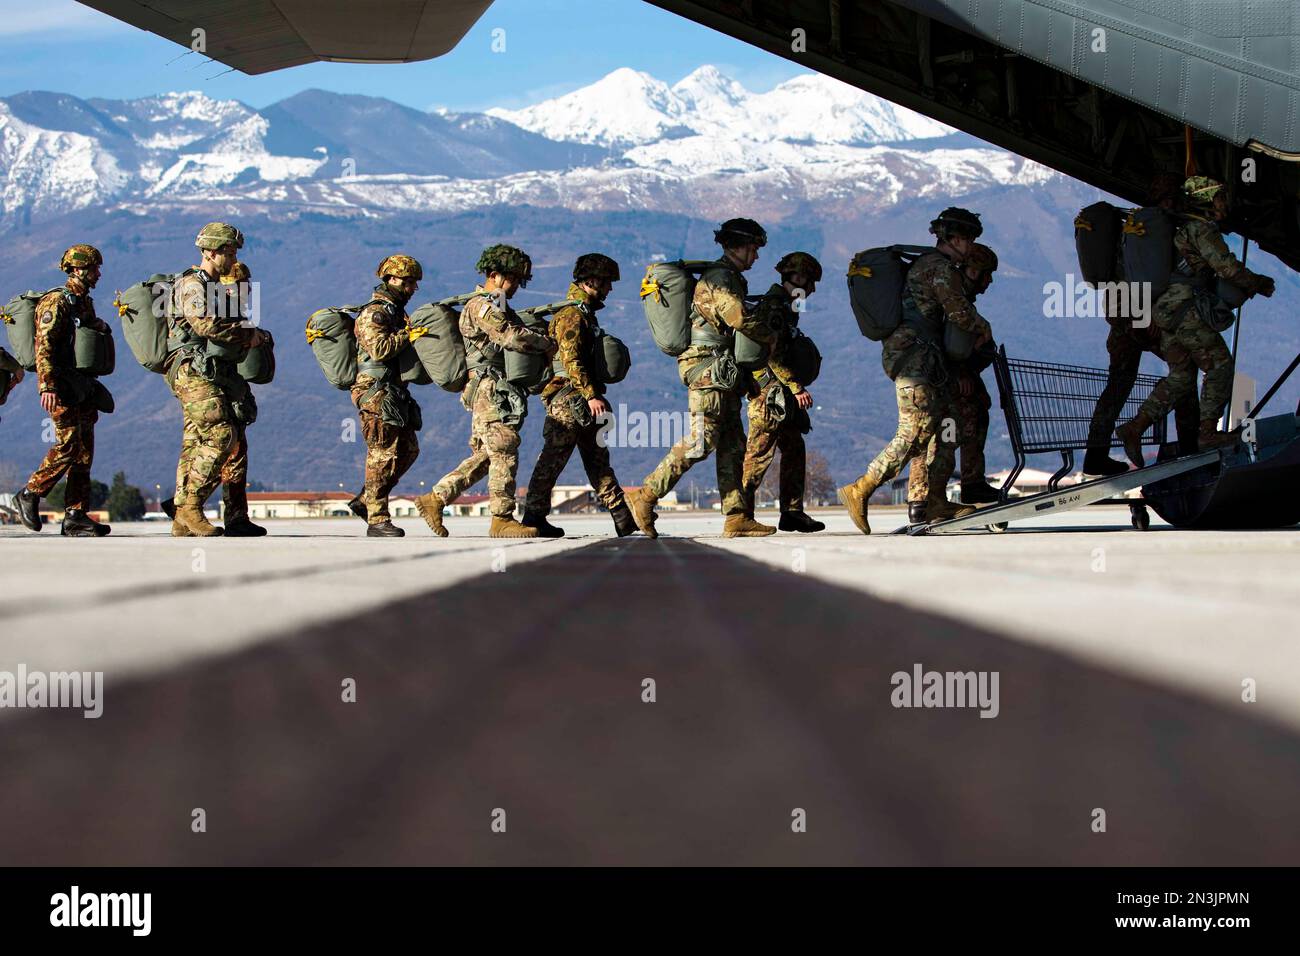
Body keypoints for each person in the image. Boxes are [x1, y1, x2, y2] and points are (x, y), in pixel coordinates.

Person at [626, 217, 782, 539]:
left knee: (732, 444)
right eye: (753, 249)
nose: (756, 256)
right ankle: (645, 495)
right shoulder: (721, 278)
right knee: (702, 439)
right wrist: (770, 335)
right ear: (737, 247)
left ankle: (736, 516)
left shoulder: (728, 276)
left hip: (721, 369)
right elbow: (737, 316)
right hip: (707, 367)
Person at [836, 208, 988, 534]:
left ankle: (934, 499)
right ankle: (861, 488)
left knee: (948, 425)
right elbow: (959, 313)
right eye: (970, 239)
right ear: (956, 238)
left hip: (929, 363)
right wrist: (982, 326)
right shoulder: (938, 268)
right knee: (914, 431)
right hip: (914, 361)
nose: (971, 246)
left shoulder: (934, 265)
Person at [1116, 176, 1275, 465]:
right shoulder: (1200, 229)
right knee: (1220, 366)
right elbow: (1226, 268)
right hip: (1186, 310)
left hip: (1166, 312)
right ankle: (1207, 432)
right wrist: (1258, 282)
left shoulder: (1179, 229)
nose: (1224, 204)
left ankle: (1134, 427)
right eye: (1219, 198)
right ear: (1207, 201)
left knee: (1181, 375)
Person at [416, 244, 556, 538]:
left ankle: (436, 498)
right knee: (503, 447)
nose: (517, 285)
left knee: (487, 457)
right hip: (489, 387)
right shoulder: (482, 306)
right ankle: (501, 519)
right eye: (513, 278)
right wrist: (547, 344)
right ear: (495, 275)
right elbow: (511, 336)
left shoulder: (500, 306)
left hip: (497, 387)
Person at [1083, 173, 1199, 475]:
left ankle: (1095, 455)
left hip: (1121, 321)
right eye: (1171, 199)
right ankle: (1190, 446)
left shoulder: (1131, 231)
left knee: (1118, 386)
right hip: (1144, 321)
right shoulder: (1156, 232)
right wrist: (1146, 318)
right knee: (1184, 372)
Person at [521, 253, 637, 538]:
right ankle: (533, 518)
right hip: (569, 399)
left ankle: (622, 517)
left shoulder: (584, 313)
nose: (610, 289)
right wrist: (591, 395)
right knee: (553, 459)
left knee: (597, 459)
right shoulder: (572, 315)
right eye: (607, 282)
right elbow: (572, 360)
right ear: (591, 281)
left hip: (580, 399)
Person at [166, 222, 268, 537]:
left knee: (196, 441)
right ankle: (190, 507)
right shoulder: (193, 284)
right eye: (228, 251)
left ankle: (183, 520)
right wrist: (249, 336)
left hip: (210, 369)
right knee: (222, 434)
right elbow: (205, 327)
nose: (232, 257)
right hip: (191, 368)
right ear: (210, 251)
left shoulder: (211, 286)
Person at [12, 244, 113, 537]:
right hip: (60, 385)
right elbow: (43, 347)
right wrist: (47, 385)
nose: (98, 273)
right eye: (93, 268)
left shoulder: (82, 302)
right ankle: (30, 493)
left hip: (81, 386)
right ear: (77, 269)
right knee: (68, 445)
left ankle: (76, 515)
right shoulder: (56, 302)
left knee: (84, 452)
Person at [740, 251, 825, 532]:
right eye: (809, 283)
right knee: (758, 453)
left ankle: (791, 512)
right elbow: (773, 354)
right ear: (797, 278)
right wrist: (795, 387)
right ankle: (740, 513)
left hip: (780, 395)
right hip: (767, 394)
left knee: (794, 446)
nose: (811, 290)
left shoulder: (787, 308)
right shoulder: (775, 307)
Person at [349, 254, 424, 537]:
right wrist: (408, 336)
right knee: (382, 453)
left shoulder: (395, 313)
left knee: (408, 450)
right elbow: (379, 349)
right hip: (375, 392)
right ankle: (377, 518)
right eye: (407, 282)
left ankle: (365, 500)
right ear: (391, 280)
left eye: (413, 283)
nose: (411, 288)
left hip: (394, 391)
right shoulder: (375, 313)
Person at [952, 243, 1001, 505]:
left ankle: (973, 482)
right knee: (956, 428)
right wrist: (960, 373)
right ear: (972, 271)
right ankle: (927, 497)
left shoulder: (963, 302)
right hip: (952, 378)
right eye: (985, 274)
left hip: (965, 375)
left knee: (977, 417)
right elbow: (946, 343)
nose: (989, 281)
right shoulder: (952, 299)